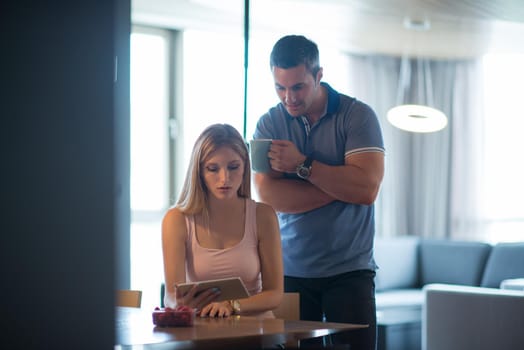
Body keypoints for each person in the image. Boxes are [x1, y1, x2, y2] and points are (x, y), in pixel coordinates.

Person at [253, 35, 385, 349]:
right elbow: (267, 196)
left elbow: (366, 189)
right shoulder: (268, 125)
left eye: (298, 87)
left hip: (350, 271)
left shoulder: (359, 117)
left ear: (319, 75)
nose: (289, 98)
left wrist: (303, 165)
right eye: (280, 88)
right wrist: (340, 185)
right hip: (290, 274)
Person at [162, 123, 283, 318]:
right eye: (213, 169)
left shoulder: (263, 216)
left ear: (244, 166)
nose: (224, 178)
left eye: (233, 167)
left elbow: (275, 295)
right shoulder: (176, 219)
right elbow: (169, 296)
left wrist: (232, 305)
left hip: (258, 333)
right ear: (199, 172)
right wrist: (179, 303)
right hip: (203, 332)